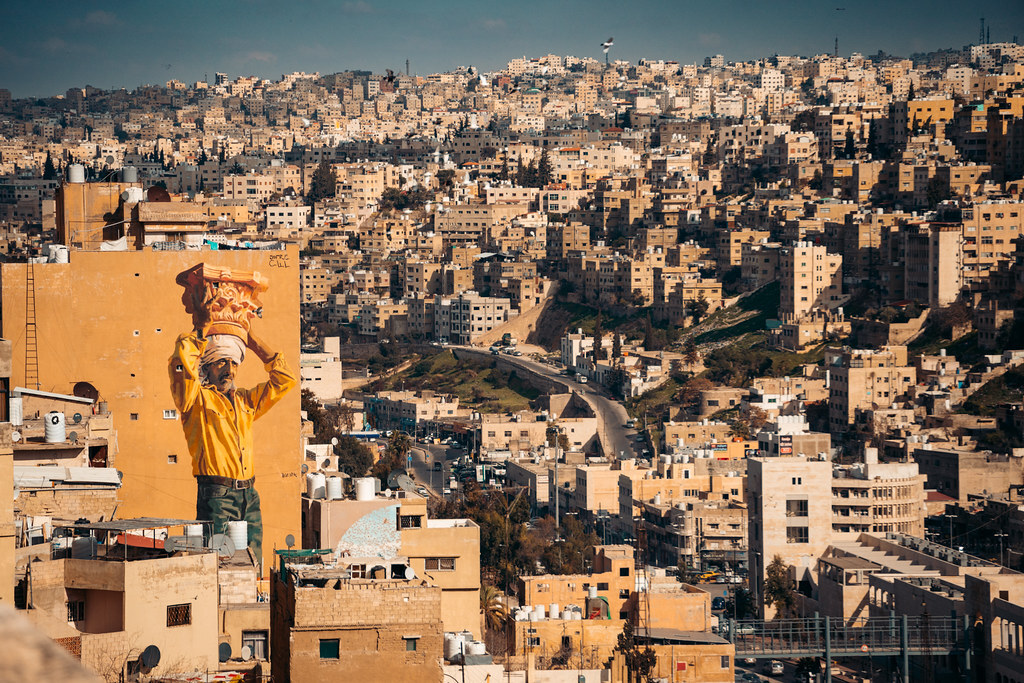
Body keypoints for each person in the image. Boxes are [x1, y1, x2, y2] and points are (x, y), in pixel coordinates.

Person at [168, 322, 295, 564]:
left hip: (249, 494)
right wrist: (201, 329)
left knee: (253, 561)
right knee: (220, 563)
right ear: (206, 366)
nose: (229, 369)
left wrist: (252, 340)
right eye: (221, 362)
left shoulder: (245, 402)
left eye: (234, 363)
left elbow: (285, 379)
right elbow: (182, 363)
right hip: (217, 495)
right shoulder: (196, 401)